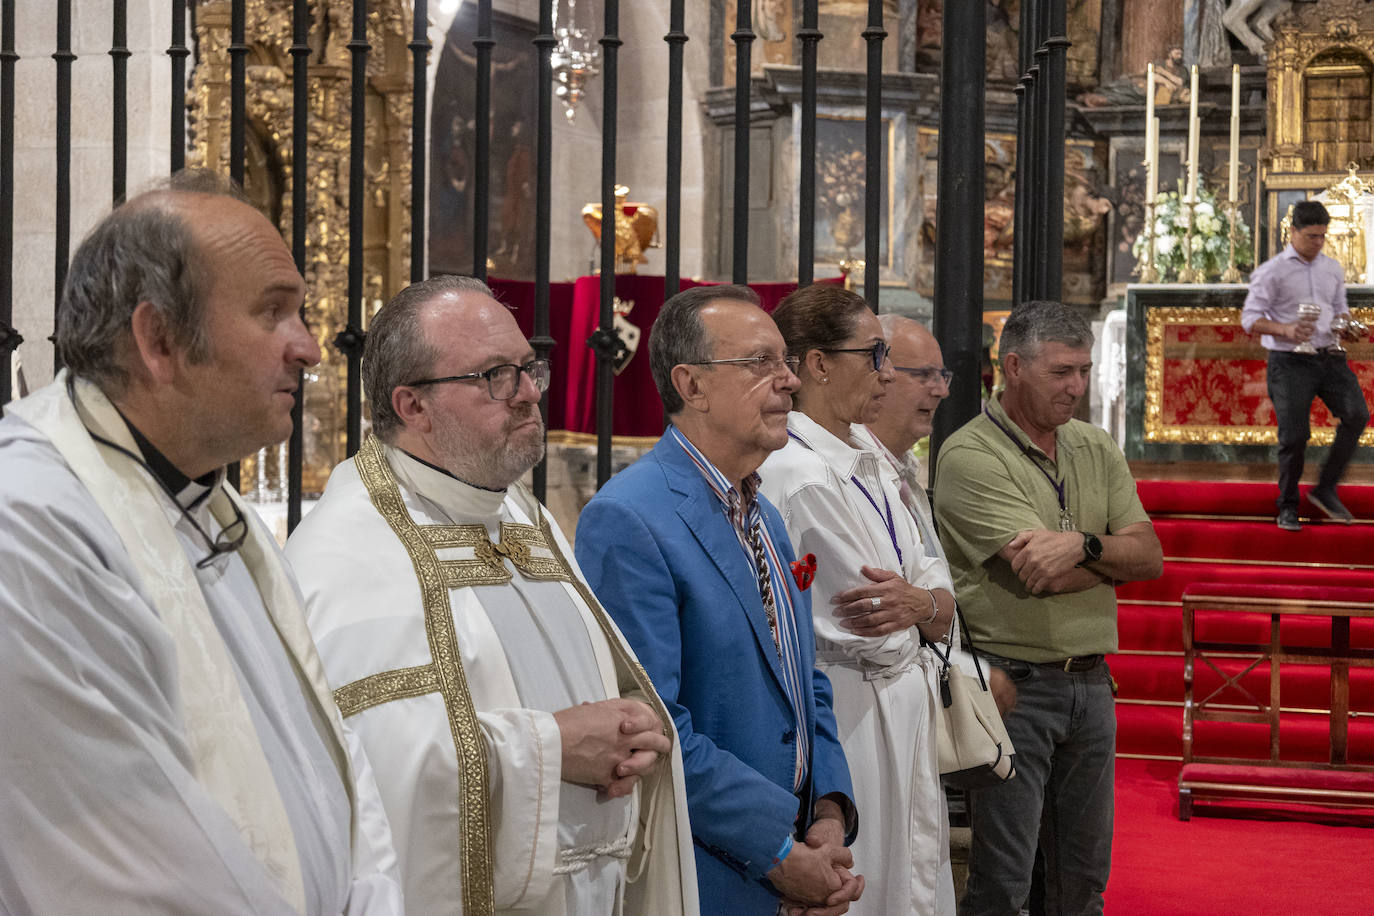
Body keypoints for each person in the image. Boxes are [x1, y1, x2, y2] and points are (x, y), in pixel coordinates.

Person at [0, 171, 401, 913]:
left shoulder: (221, 515)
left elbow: (340, 772)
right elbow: (129, 864)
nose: (310, 350)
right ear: (158, 339)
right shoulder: (29, 525)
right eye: (273, 313)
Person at [285, 275, 697, 915]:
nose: (530, 392)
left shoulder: (520, 515)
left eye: (531, 368)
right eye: (495, 376)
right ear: (413, 405)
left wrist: (633, 729)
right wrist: (555, 746)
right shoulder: (347, 551)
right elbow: (359, 773)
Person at [575, 285, 862, 916]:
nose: (789, 380)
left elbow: (804, 680)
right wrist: (779, 855)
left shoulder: (763, 515)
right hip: (708, 873)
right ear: (691, 385)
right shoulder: (629, 519)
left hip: (795, 854)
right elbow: (652, 726)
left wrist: (830, 812)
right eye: (761, 363)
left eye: (785, 362)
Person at [934, 300, 1163, 916]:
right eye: (1062, 372)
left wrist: (1084, 545)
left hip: (1092, 683)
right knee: (1004, 884)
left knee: (1083, 881)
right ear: (1013, 366)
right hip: (1015, 686)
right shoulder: (969, 455)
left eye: (1084, 371)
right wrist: (1109, 561)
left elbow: (1150, 558)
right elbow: (1038, 576)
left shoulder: (1094, 444)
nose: (1078, 387)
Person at [756, 288, 958, 916]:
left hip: (900, 704)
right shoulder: (796, 470)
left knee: (913, 879)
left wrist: (925, 604)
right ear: (817, 365)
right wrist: (926, 609)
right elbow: (871, 626)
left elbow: (937, 582)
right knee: (869, 884)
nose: (889, 373)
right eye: (875, 355)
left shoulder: (868, 451)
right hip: (852, 710)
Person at [1241, 199, 1369, 531]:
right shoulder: (1272, 271)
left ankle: (1326, 488)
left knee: (1357, 414)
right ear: (1293, 231)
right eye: (1311, 236)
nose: (1318, 243)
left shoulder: (1332, 268)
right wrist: (1285, 329)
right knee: (1295, 436)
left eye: (1322, 236)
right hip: (1289, 362)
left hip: (1329, 356)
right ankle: (1287, 505)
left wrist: (1346, 327)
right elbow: (1250, 319)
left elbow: (1340, 309)